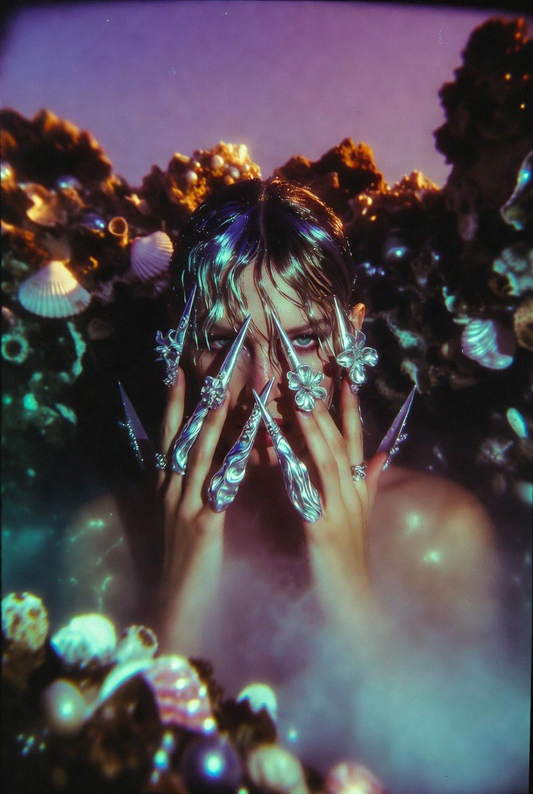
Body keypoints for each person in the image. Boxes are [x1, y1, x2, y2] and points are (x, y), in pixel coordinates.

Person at [64, 178, 501, 679]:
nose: (263, 386)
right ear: (179, 344)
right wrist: (179, 602)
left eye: (307, 340)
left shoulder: (438, 534)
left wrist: (350, 594)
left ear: (351, 334)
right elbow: (105, 753)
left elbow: (444, 752)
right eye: (224, 342)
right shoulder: (103, 542)